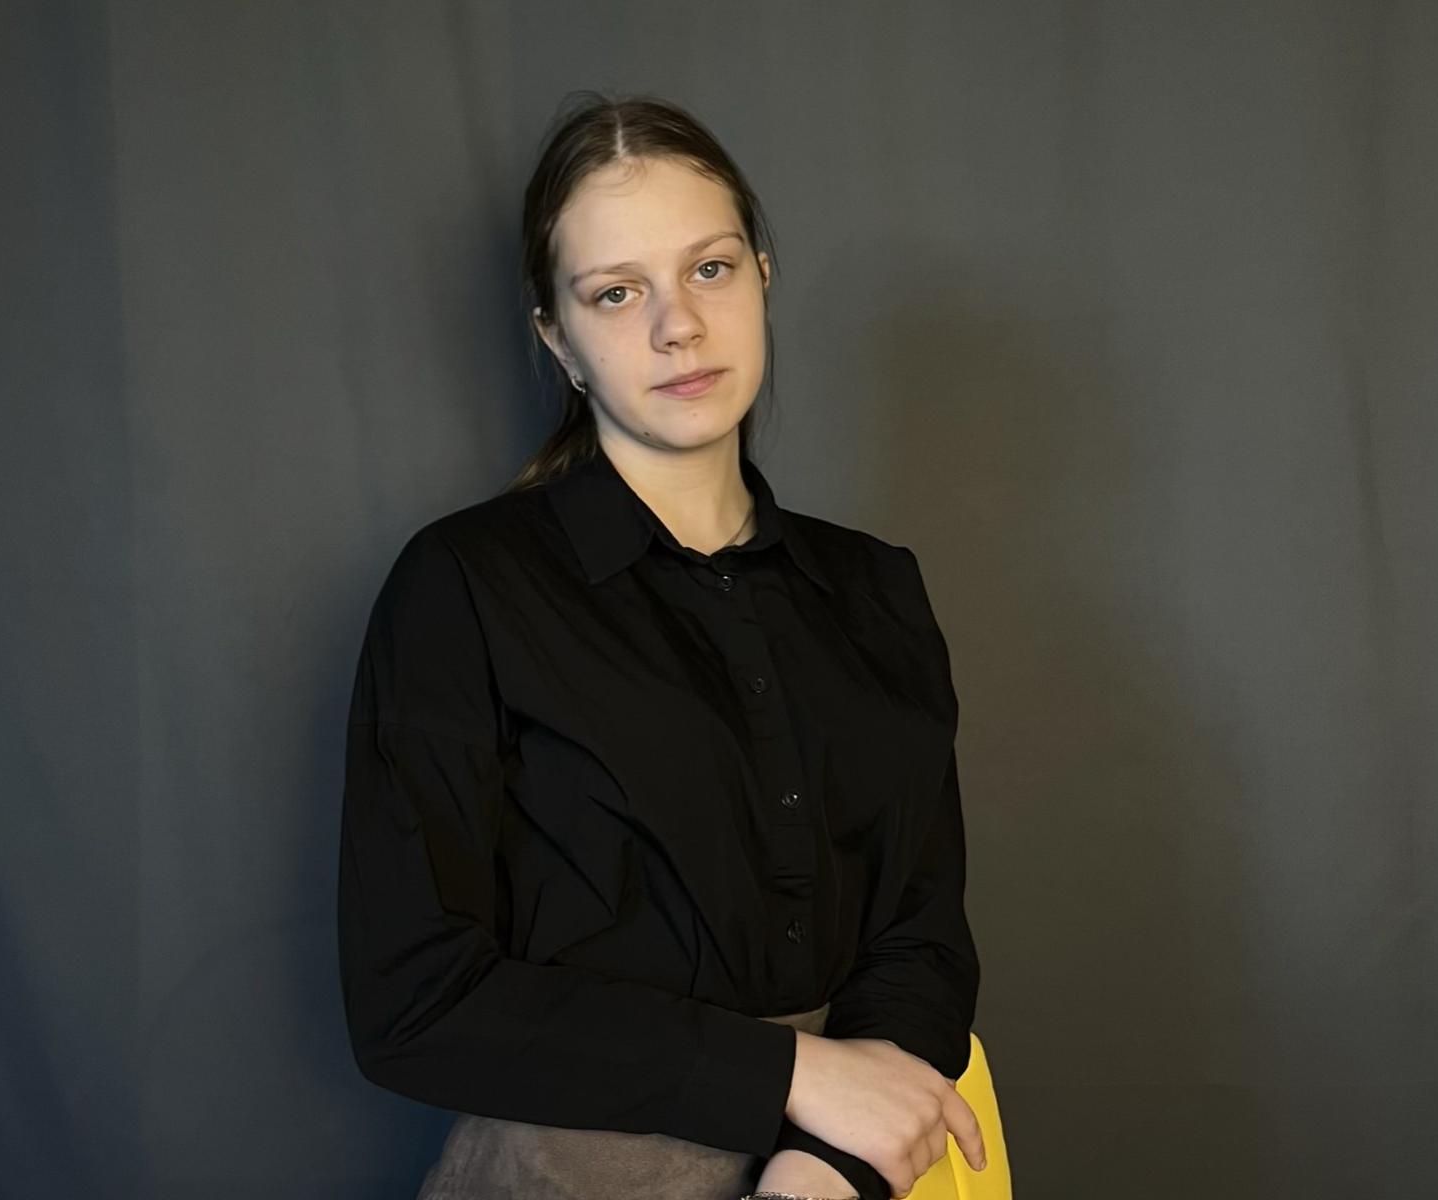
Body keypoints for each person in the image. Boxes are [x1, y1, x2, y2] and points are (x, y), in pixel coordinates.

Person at [337, 90, 996, 1200]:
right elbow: (415, 1000)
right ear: (558, 337)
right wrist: (788, 1073)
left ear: (764, 275)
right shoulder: (462, 588)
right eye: (614, 292)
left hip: (866, 1175)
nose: (676, 327)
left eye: (708, 269)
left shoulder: (876, 589)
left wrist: (825, 1166)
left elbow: (923, 934)